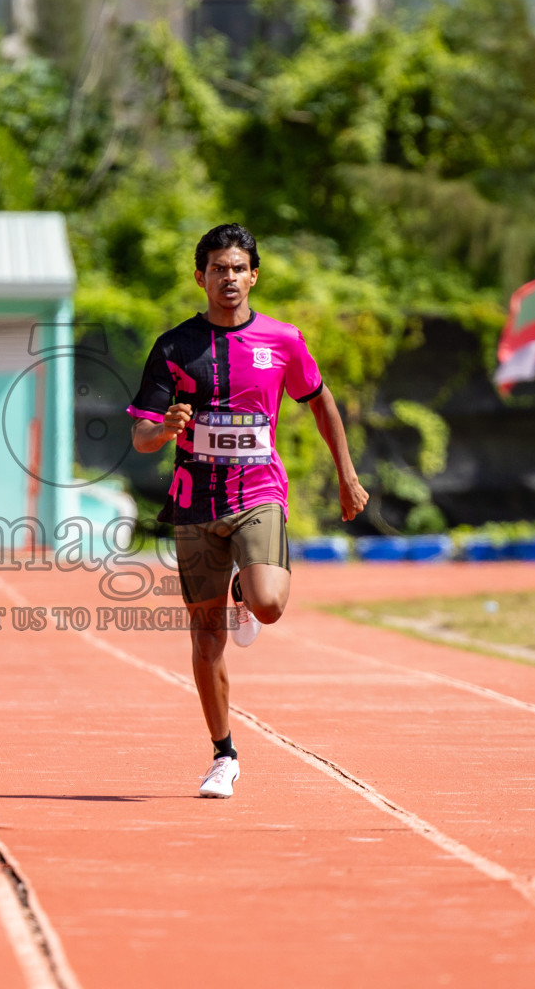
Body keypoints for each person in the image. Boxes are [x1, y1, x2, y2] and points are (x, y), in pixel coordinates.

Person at [128, 224, 368, 799]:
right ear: (200, 277)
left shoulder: (283, 340)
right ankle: (223, 754)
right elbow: (140, 436)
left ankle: (245, 587)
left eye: (238, 268)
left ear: (253, 275)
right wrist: (165, 429)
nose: (228, 278)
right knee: (206, 635)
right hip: (193, 500)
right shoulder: (174, 347)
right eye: (217, 269)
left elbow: (320, 400)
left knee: (268, 604)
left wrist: (347, 475)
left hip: (259, 491)